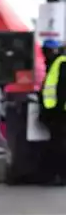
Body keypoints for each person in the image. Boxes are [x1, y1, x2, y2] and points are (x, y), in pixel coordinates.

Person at [40, 38, 66, 185]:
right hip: (57, 111)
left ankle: (59, 175)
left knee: (59, 145)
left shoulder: (61, 62)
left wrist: (55, 110)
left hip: (60, 112)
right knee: (58, 144)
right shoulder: (54, 63)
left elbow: (61, 89)